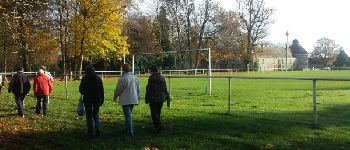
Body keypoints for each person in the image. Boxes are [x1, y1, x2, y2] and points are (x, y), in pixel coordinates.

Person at [114, 64, 140, 137]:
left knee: (128, 116)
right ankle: (127, 129)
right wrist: (138, 97)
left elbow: (118, 90)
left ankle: (130, 132)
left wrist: (115, 96)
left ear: (123, 69)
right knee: (128, 115)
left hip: (125, 100)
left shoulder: (122, 79)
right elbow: (138, 89)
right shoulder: (135, 77)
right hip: (133, 99)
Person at [79, 66, 104, 138]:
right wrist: (102, 99)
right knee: (96, 114)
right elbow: (102, 90)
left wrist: (84, 92)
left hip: (88, 99)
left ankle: (90, 132)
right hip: (97, 99)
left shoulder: (84, 79)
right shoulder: (98, 79)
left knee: (89, 116)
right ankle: (97, 128)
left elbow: (81, 90)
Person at [145, 65, 170, 132]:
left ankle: (159, 124)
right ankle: (157, 125)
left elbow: (148, 89)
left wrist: (146, 98)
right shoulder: (162, 77)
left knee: (153, 112)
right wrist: (167, 98)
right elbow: (165, 88)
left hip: (153, 98)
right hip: (161, 98)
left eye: (150, 70)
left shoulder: (151, 78)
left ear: (152, 70)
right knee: (158, 111)